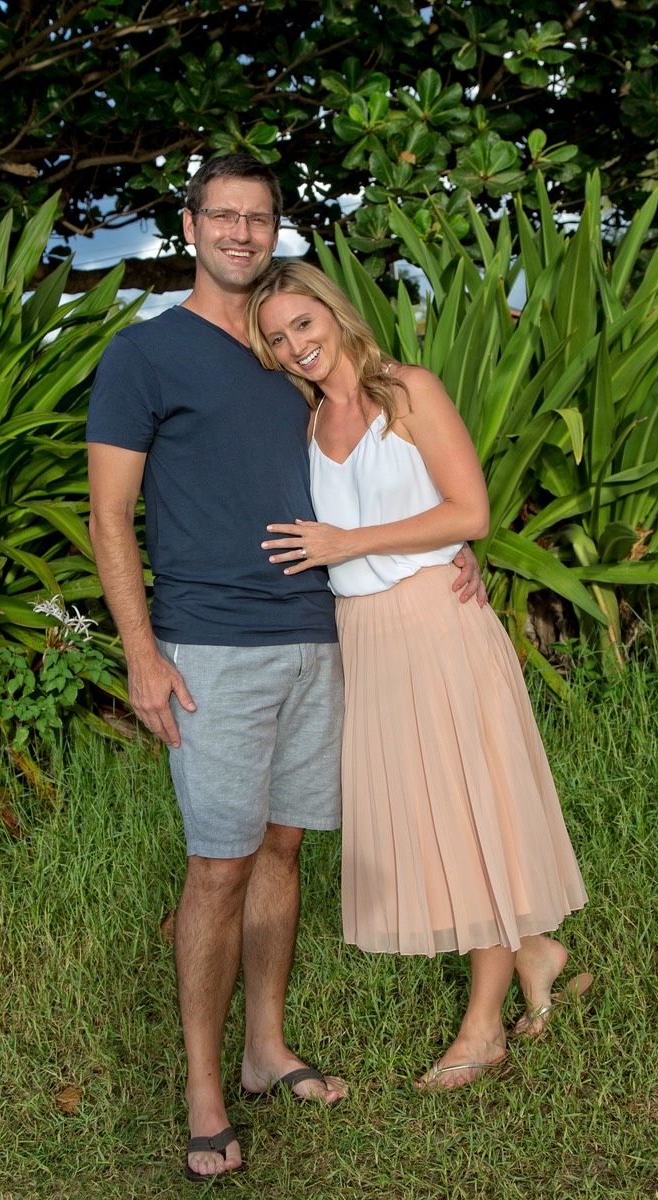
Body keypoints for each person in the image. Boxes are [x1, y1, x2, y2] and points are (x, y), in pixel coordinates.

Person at [86, 153, 485, 1179]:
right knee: (216, 866)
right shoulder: (144, 356)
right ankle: (205, 1087)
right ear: (188, 227)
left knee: (280, 853)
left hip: (321, 637)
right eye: (220, 216)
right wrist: (139, 652)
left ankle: (265, 1047)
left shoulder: (284, 353)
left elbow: (370, 467)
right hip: (211, 646)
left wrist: (450, 544)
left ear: (276, 233)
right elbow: (108, 514)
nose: (238, 232)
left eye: (256, 218)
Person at [246, 259, 591, 1090]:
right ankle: (534, 951)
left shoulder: (409, 391)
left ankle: (483, 1029)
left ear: (334, 311)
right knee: (431, 810)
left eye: (304, 323)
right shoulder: (303, 427)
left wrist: (353, 544)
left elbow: (469, 512)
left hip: (439, 622)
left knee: (471, 809)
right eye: (277, 337)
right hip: (365, 636)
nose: (297, 344)